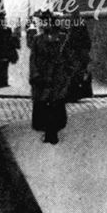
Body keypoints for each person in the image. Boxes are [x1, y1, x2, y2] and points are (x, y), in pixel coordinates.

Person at [29, 15, 71, 144]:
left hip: (57, 78)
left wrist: (66, 76)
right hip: (42, 78)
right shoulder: (37, 40)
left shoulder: (63, 40)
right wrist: (35, 75)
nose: (46, 26)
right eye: (44, 23)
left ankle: (52, 133)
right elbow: (33, 59)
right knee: (43, 106)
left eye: (49, 23)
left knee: (55, 105)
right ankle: (48, 132)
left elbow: (69, 59)